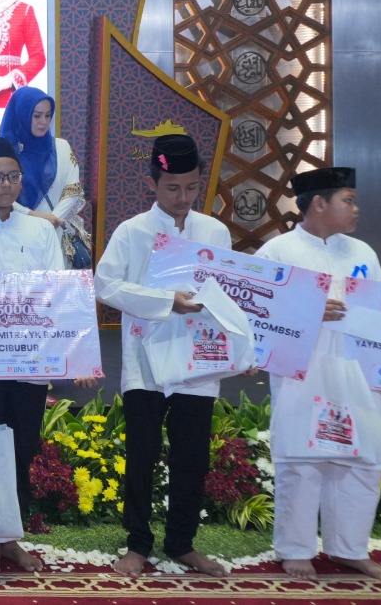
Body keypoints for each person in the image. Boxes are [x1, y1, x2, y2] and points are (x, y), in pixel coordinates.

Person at [0, 137, 95, 573]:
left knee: (21, 447)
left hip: (30, 361)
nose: (6, 184)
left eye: (13, 176)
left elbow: (58, 294)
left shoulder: (40, 229)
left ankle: (10, 536)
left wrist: (76, 358)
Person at [93, 134, 231, 579]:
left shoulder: (215, 232)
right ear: (152, 183)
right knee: (142, 454)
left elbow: (230, 294)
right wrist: (165, 300)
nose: (183, 198)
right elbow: (104, 284)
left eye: (192, 187)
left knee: (192, 458)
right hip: (146, 361)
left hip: (198, 362)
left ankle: (182, 544)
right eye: (173, 188)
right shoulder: (132, 231)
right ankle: (137, 544)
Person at [256, 166, 381, 582]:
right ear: (319, 203)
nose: (356, 209)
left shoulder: (363, 253)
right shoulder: (277, 253)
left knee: (362, 462)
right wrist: (307, 311)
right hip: (305, 374)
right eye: (348, 200)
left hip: (357, 374)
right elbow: (256, 313)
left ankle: (350, 549)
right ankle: (296, 549)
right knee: (302, 461)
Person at [0, 88, 90, 267]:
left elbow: (73, 190)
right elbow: (2, 197)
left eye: (48, 115)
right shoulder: (5, 152)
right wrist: (38, 220)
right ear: (22, 115)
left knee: (57, 282)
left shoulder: (61, 147)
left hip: (57, 230)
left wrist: (52, 220)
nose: (44, 122)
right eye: (37, 116)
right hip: (18, 233)